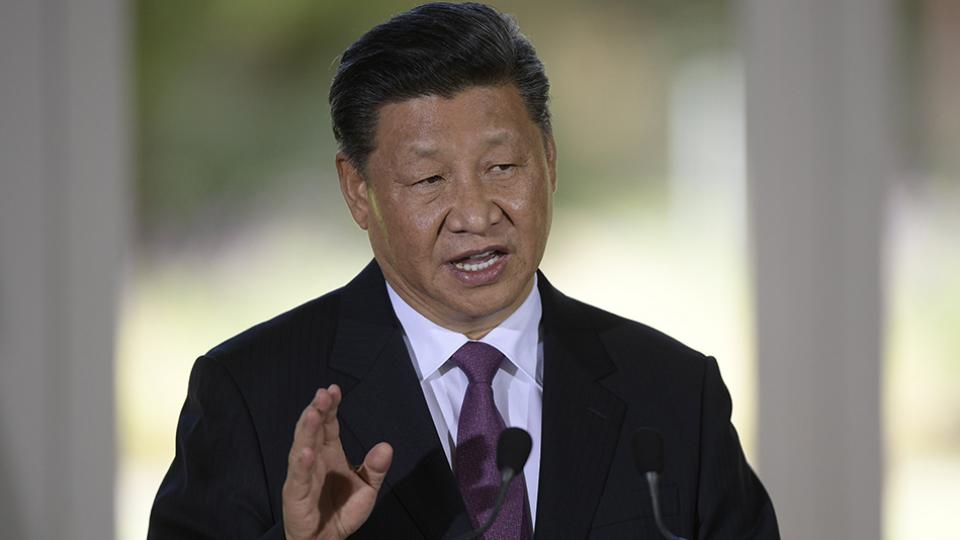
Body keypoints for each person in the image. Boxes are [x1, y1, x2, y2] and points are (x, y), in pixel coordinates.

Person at [148, 3, 779, 539]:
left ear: (550, 160)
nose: (476, 214)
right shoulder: (251, 395)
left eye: (503, 167)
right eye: (430, 179)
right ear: (357, 191)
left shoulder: (674, 393)